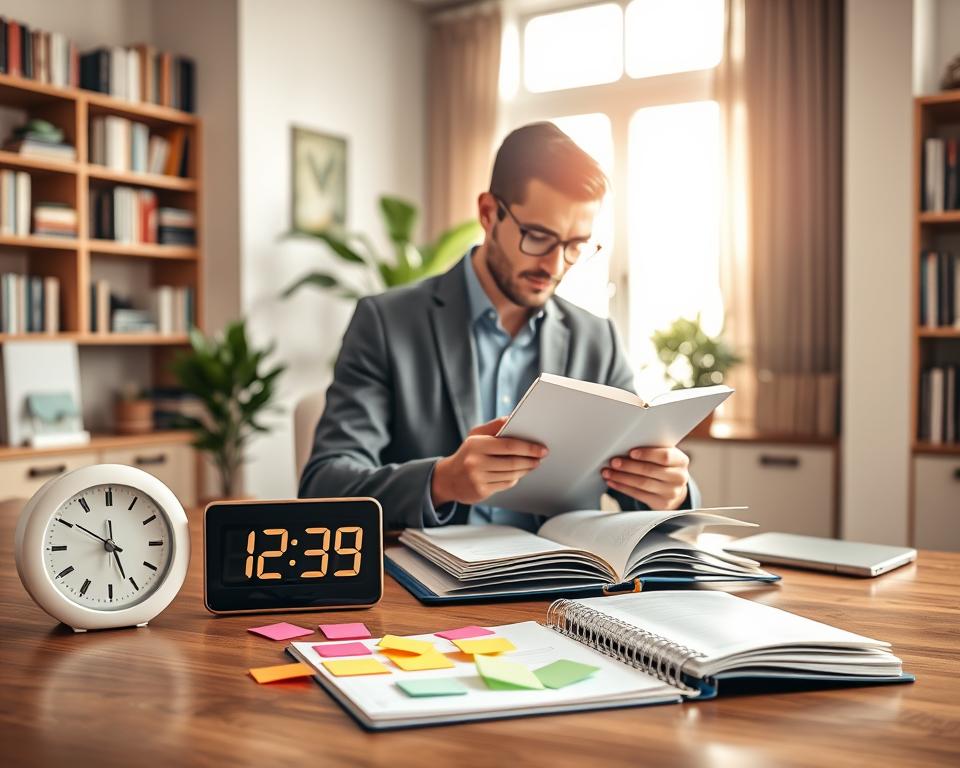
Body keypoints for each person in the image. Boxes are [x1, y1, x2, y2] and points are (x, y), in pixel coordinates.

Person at [299, 122, 698, 530]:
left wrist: (672, 492)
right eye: (538, 236)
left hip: (560, 583)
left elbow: (640, 484)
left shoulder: (596, 340)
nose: (555, 264)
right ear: (489, 213)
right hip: (425, 585)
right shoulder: (388, 324)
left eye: (576, 245)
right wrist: (441, 481)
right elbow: (324, 486)